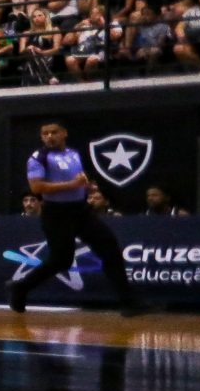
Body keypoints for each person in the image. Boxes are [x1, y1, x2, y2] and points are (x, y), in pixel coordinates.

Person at [12, 120, 136, 313]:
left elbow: (79, 179)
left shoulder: (74, 154)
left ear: (64, 133)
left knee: (109, 247)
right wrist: (71, 185)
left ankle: (128, 302)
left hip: (80, 210)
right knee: (61, 260)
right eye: (45, 133)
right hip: (56, 213)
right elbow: (36, 187)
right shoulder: (38, 158)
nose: (49, 137)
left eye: (54, 132)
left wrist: (86, 187)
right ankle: (21, 287)